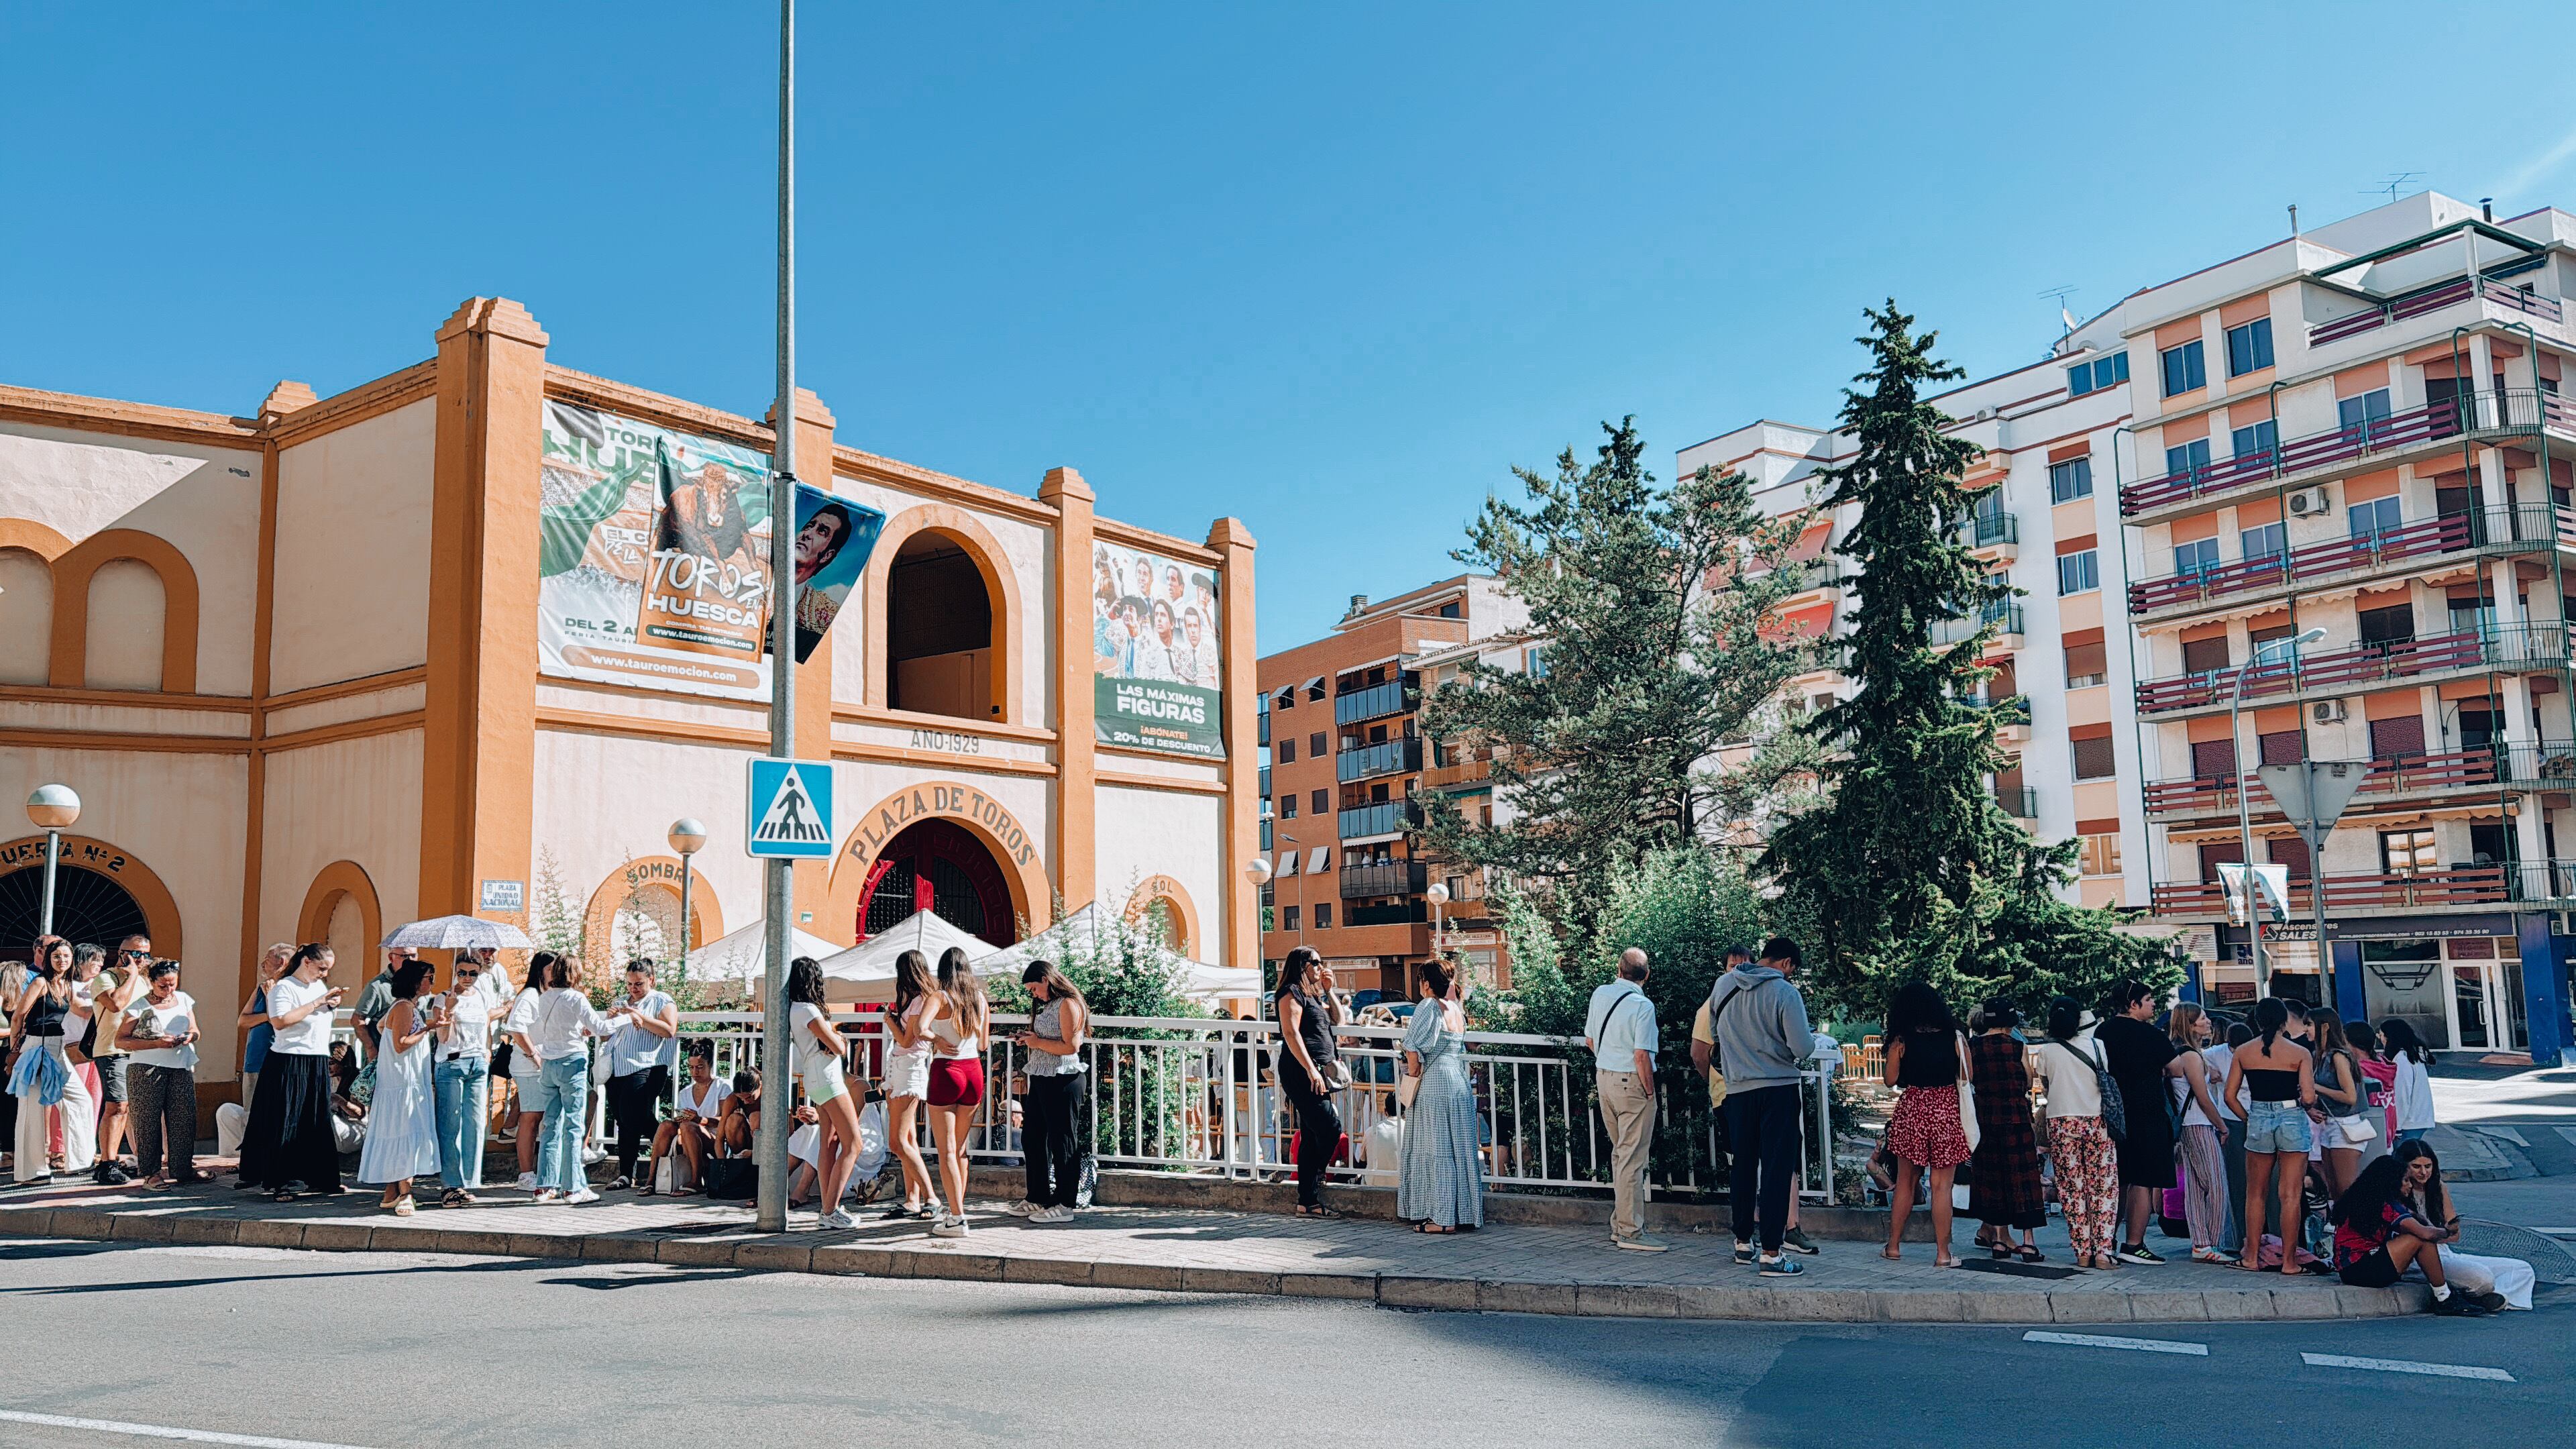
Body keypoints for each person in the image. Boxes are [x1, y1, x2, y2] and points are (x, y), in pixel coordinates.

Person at [1709, 937, 1814, 1275]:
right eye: (1792, 969)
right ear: (1785, 964)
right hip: (1778, 1090)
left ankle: (1742, 1242)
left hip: (1737, 1090)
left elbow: (1714, 1034)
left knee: (1742, 1165)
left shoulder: (1724, 985)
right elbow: (1803, 1047)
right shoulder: (1785, 993)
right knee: (1776, 1170)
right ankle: (1771, 1252)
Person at [2223, 998, 2317, 1278]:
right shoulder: (2300, 1052)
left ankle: (2251, 1257)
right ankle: (2290, 1262)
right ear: (2284, 1022)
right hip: (2291, 1116)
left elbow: (2230, 1096)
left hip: (2259, 1116)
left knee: (2256, 1193)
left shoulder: (2243, 1051)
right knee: (2290, 1195)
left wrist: (2249, 1118)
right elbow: (2309, 1097)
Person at [1879, 982, 1972, 1267]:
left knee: (1906, 1181)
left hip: (1913, 1109)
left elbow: (1890, 1080)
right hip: (1946, 1108)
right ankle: (1943, 1254)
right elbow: (1968, 1076)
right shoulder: (1955, 1037)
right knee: (1942, 1185)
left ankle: (1893, 1246)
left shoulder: (1901, 1040)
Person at [247, 944, 347, 1201]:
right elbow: (279, 1021)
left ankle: (319, 1177)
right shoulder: (284, 987)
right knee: (286, 1121)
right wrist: (317, 1003)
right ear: (306, 961)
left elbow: (316, 1021)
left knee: (315, 1121)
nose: (324, 974)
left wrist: (331, 1004)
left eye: (328, 970)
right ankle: (281, 1181)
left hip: (316, 1058)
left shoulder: (319, 987)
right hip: (288, 1060)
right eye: (321, 968)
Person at [2028, 996, 2121, 1271]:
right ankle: (2103, 1251)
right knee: (2103, 1186)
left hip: (2061, 1122)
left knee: (2072, 1188)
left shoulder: (2046, 1051)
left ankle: (2082, 1250)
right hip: (2096, 1121)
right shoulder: (2098, 1045)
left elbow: (2045, 1087)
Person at [2093, 980, 2181, 1265]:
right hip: (2147, 1114)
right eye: (2149, 999)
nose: (2153, 1004)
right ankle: (2134, 1244)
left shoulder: (2102, 1032)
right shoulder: (2152, 1036)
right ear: (2134, 1005)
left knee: (2116, 1179)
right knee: (2142, 1181)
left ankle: (2107, 1241)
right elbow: (2176, 1069)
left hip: (2112, 1115)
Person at [2329, 1155, 2485, 1314]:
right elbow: (2425, 1233)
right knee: (2419, 1239)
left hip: (2351, 1270)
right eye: (2406, 1181)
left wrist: (2418, 1218)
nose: (2410, 1186)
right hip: (2363, 1268)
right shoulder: (2387, 1205)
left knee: (2417, 1238)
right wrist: (2447, 1231)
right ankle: (2444, 1297)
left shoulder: (2363, 1198)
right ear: (2392, 1182)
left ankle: (2444, 1292)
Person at [1396, 960, 1484, 1232]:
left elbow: (1412, 1049)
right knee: (1460, 1149)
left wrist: (1412, 1078)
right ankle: (1462, 1213)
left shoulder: (1428, 1005)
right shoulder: (1456, 1010)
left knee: (1438, 1150)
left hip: (1435, 1082)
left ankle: (1441, 1219)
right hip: (1457, 1080)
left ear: (1426, 983)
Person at [2392, 1140, 2529, 1311]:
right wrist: (2440, 1233)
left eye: (2428, 1166)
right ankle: (2479, 1296)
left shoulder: (2438, 1188)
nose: (2424, 1172)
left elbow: (2455, 1235)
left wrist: (2443, 1232)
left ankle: (2491, 1299)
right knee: (2482, 1278)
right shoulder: (2398, 1190)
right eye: (2417, 1167)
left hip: (2445, 1252)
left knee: (2522, 1269)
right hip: (2419, 1259)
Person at [781, 955, 866, 1229]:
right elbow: (838, 1047)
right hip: (828, 1078)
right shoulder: (808, 1010)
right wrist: (839, 1038)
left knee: (828, 1142)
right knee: (853, 1143)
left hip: (815, 1078)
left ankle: (829, 1209)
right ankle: (830, 1211)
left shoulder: (793, 1009)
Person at [356, 959, 442, 1216]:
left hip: (402, 1082)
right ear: (416, 982)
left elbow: (388, 1033)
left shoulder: (405, 1007)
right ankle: (406, 1194)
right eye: (429, 978)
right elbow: (402, 1043)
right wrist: (429, 1028)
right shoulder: (404, 1007)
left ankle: (391, 1192)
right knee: (407, 1133)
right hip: (404, 1083)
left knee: (399, 1132)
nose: (431, 983)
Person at [527, 955, 614, 1203]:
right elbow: (601, 1028)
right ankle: (573, 1187)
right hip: (571, 1062)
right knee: (574, 1126)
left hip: (549, 1062)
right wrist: (628, 1018)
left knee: (551, 1125)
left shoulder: (544, 998)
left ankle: (544, 1186)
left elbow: (556, 1027)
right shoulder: (576, 997)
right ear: (574, 974)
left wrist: (577, 1030)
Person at [1966, 1000, 2046, 1263]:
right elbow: (2028, 1078)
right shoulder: (2017, 1046)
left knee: (1993, 1178)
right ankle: (2028, 1243)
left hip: (1986, 1119)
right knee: (2024, 1180)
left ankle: (2000, 1239)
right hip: (2016, 1119)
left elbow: (1968, 1080)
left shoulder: (1973, 1047)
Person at [1276, 947, 1350, 1220]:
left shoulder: (1312, 995)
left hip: (1320, 1070)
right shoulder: (1291, 993)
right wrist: (1311, 1071)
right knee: (1331, 1128)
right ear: (1302, 965)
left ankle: (1307, 1201)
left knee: (1310, 1135)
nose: (1321, 967)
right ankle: (1316, 1175)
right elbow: (1290, 1032)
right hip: (1302, 1071)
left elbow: (1339, 1020)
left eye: (1322, 962)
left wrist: (1330, 989)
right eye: (1316, 963)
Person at [1011, 960, 1088, 1223]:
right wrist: (1030, 1039)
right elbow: (1049, 1041)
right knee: (1032, 1138)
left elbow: (1071, 1046)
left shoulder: (1068, 1003)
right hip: (1043, 1076)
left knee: (1062, 1140)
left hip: (1063, 1078)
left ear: (1046, 980)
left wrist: (1037, 1041)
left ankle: (1066, 1202)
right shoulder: (1051, 1006)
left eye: (1034, 988)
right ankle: (1038, 1196)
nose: (1033, 993)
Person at [117, 959, 205, 1188]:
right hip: (146, 1068)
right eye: (162, 986)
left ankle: (183, 1168)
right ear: (152, 983)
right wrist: (156, 1043)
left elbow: (195, 1030)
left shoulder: (184, 999)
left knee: (183, 1119)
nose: (168, 990)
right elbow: (121, 1040)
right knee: (148, 1122)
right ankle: (151, 1173)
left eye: (172, 984)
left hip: (180, 1065)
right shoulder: (139, 1006)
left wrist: (189, 1037)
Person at [925, 947, 989, 1238]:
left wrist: (938, 1038)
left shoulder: (940, 997)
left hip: (947, 1069)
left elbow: (920, 1029)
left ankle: (957, 1218)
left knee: (947, 1150)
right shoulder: (979, 999)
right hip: (974, 1071)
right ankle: (957, 1211)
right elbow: (983, 1044)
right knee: (961, 1149)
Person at [875, 949, 943, 1222]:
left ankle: (931, 1197)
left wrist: (890, 1020)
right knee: (909, 1139)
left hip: (909, 1069)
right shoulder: (915, 1000)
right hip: (899, 1069)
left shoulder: (921, 1002)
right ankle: (912, 1199)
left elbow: (906, 1040)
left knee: (897, 1141)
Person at [8, 938, 81, 1185]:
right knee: (31, 1111)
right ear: (48, 958)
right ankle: (30, 1172)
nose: (62, 961)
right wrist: (15, 1051)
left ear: (72, 960)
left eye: (66, 957)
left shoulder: (67, 985)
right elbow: (19, 1016)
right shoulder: (40, 982)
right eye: (57, 956)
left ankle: (79, 1160)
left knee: (79, 1098)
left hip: (58, 1048)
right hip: (36, 1046)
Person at [601, 959, 680, 1191]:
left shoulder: (661, 1000)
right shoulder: (621, 1002)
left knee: (632, 1113)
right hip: (618, 1067)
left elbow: (669, 1030)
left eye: (639, 984)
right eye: (630, 984)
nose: (633, 989)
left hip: (648, 1065)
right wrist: (610, 1020)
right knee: (624, 1120)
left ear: (651, 980)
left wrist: (641, 1018)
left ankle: (672, 1140)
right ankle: (626, 1174)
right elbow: (607, 1036)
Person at [2165, 1003, 2234, 1265]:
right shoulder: (2191, 1056)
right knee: (2216, 1185)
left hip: (2188, 1126)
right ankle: (2213, 1241)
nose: (2208, 1023)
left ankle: (2201, 1242)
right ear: (2191, 1024)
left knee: (2195, 1186)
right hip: (2199, 1123)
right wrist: (2222, 1125)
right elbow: (2203, 1098)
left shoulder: (2187, 1054)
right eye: (2203, 1019)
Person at [429, 951, 495, 1207]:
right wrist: (448, 1011)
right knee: (449, 1125)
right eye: (462, 973)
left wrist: (487, 1051)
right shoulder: (443, 997)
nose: (467, 978)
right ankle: (450, 1185)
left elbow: (486, 1026)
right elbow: (442, 1038)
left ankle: (468, 1181)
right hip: (451, 1063)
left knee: (475, 1124)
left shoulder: (482, 996)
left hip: (478, 1064)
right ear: (455, 972)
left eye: (473, 973)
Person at [83, 935, 151, 1185]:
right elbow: (116, 1005)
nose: (142, 959)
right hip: (112, 1050)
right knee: (117, 1106)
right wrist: (132, 975)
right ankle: (107, 1164)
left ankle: (138, 1159)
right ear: (122, 953)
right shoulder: (105, 978)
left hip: (139, 1051)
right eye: (136, 954)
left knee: (131, 1108)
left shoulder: (145, 981)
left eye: (146, 954)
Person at [232, 943, 293, 1181]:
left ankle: (273, 1165)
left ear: (282, 963)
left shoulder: (289, 989)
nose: (263, 965)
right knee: (251, 1116)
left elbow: (286, 1020)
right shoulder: (261, 989)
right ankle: (252, 1165)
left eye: (268, 960)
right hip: (254, 1061)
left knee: (274, 1116)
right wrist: (269, 1014)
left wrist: (273, 1001)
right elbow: (243, 1021)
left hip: (276, 1061)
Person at [502, 952, 557, 1191]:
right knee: (530, 1118)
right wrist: (534, 1055)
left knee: (546, 1118)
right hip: (530, 1068)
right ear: (540, 970)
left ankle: (546, 1170)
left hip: (545, 1065)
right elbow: (516, 1028)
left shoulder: (548, 995)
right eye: (552, 969)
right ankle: (526, 1174)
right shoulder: (529, 995)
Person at [648, 1042, 728, 1195]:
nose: (695, 1072)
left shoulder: (722, 1086)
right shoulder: (685, 1093)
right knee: (666, 1125)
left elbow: (725, 1120)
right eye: (691, 1068)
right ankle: (651, 1179)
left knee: (688, 1126)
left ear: (710, 1065)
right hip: (688, 1136)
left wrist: (700, 1120)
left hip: (715, 1138)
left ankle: (696, 1181)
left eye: (700, 1067)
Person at [2308, 1007, 2372, 1195]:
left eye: (2309, 1024)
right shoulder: (2319, 1056)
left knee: (2346, 1188)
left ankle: (2352, 1223)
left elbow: (2350, 1097)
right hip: (2329, 1123)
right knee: (2333, 1187)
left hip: (2346, 1125)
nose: (2306, 1030)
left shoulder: (2338, 1056)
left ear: (2325, 1027)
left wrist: (2316, 1087)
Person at [2208, 1020, 2251, 1258]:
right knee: (2237, 1180)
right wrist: (2207, 1071)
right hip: (2231, 1120)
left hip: (2254, 1115)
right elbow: (2193, 1057)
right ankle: (2237, 1236)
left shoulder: (2256, 1051)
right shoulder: (2216, 1054)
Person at [2379, 1018, 2436, 1144]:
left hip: (2408, 1123)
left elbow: (2402, 1095)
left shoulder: (2402, 1061)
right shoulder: (2413, 1056)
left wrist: (2397, 1127)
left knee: (2401, 1160)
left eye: (2382, 1035)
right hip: (2417, 1119)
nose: (2381, 1039)